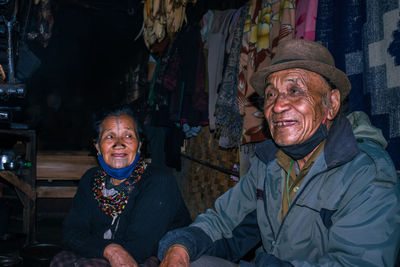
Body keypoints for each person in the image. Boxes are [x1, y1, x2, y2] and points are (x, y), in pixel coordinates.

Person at [157, 39, 400, 266]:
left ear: (331, 103)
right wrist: (182, 246)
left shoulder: (367, 172)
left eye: (295, 91)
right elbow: (225, 220)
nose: (277, 106)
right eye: (271, 94)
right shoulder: (269, 161)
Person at [50, 107, 191, 267]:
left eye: (128, 136)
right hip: (105, 253)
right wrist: (110, 249)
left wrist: (104, 249)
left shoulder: (158, 182)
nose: (119, 144)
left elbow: (139, 250)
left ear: (139, 145)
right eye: (110, 136)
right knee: (60, 260)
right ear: (97, 146)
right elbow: (70, 234)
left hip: (149, 258)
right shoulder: (91, 179)